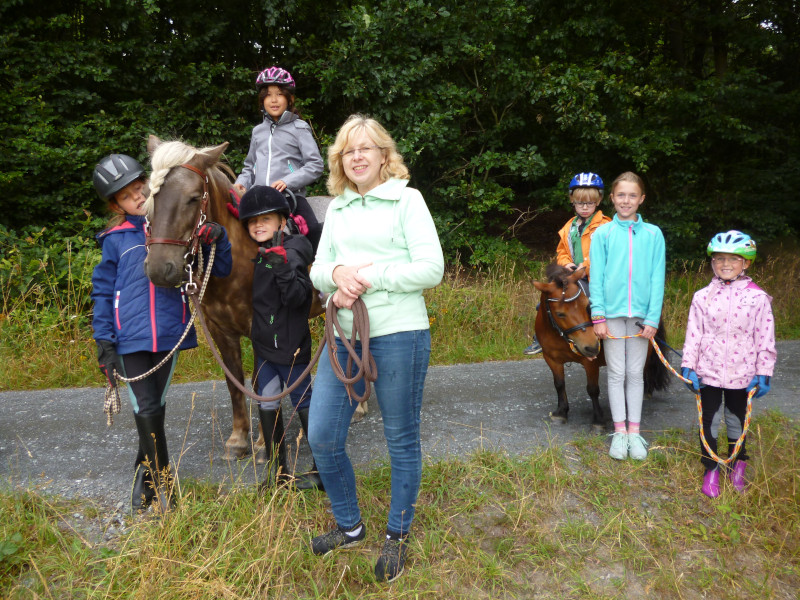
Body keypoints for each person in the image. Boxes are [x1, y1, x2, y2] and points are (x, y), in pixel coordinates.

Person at [307, 114, 444, 582]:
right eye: (349, 150)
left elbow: (431, 268)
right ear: (340, 161)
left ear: (385, 156)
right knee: (322, 434)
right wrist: (337, 278)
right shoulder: (338, 208)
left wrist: (366, 278)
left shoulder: (407, 200)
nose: (358, 156)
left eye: (367, 148)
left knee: (401, 438)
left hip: (400, 333)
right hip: (344, 336)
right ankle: (350, 528)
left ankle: (397, 535)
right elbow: (318, 269)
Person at [91, 153, 232, 513]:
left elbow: (221, 269)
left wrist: (219, 239)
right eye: (126, 196)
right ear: (116, 204)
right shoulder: (115, 239)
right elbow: (103, 292)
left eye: (140, 189)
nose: (137, 198)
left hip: (169, 334)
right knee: (147, 406)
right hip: (128, 338)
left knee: (154, 409)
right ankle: (165, 483)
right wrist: (103, 340)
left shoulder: (172, 226)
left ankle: (145, 476)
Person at [237, 185, 322, 491]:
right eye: (252, 222)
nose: (257, 225)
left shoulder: (294, 247)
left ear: (282, 221)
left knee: (305, 403)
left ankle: (323, 471)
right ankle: (278, 473)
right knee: (268, 405)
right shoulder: (258, 253)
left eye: (266, 219)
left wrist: (282, 267)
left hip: (290, 348)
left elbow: (299, 298)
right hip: (263, 348)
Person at [680, 231, 775, 498]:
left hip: (742, 373)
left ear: (745, 263)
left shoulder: (758, 298)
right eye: (720, 259)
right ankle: (710, 468)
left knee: (736, 420)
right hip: (707, 371)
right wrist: (689, 366)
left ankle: (738, 464)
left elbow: (764, 337)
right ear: (712, 262)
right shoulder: (702, 297)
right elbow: (694, 334)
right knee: (708, 422)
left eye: (733, 259)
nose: (725, 264)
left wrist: (763, 371)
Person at [589, 171, 665, 461]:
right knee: (616, 372)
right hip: (610, 316)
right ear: (611, 198)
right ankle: (619, 433)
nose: (626, 200)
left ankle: (635, 433)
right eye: (621, 195)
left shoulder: (653, 234)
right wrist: (598, 316)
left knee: (635, 373)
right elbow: (597, 277)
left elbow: (658, 278)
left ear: (641, 199)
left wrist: (652, 319)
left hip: (641, 319)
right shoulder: (603, 234)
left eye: (632, 195)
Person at [232, 66, 324, 250]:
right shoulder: (257, 131)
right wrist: (241, 182)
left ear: (290, 99)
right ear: (262, 100)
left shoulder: (300, 128)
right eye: (268, 95)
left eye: (280, 94)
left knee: (313, 228)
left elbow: (315, 164)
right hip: (258, 197)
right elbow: (250, 166)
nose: (274, 100)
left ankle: (313, 272)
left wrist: (288, 181)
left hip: (289, 197)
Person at [524, 172, 610, 355]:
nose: (585, 207)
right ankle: (540, 338)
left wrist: (586, 266)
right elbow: (561, 251)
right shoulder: (569, 226)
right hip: (574, 275)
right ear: (572, 201)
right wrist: (567, 264)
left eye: (590, 203)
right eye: (580, 203)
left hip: (597, 276)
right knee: (550, 300)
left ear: (598, 201)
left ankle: (605, 338)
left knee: (594, 302)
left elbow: (607, 254)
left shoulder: (605, 226)